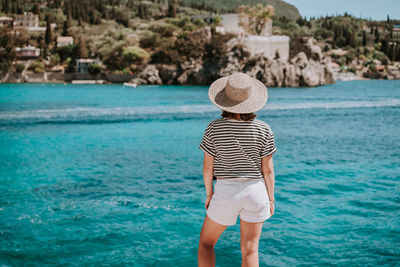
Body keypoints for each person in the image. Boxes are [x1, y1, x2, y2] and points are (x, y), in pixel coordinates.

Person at [197, 72, 277, 267]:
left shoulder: (214, 128)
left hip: (226, 191)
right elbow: (267, 170)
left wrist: (209, 195)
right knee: (250, 249)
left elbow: (208, 169)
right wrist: (271, 198)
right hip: (256, 192)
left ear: (224, 101)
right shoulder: (264, 129)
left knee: (206, 244)